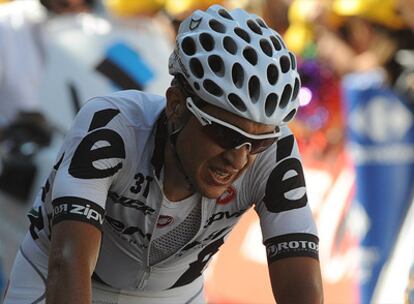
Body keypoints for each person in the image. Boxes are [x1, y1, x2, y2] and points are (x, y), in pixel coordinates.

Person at [3, 5, 323, 304]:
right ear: (175, 105)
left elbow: (302, 288)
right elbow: (66, 264)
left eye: (258, 143)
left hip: (171, 296)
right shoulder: (112, 127)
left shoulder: (276, 153)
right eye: (224, 133)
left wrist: (251, 141)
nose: (238, 158)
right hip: (53, 277)